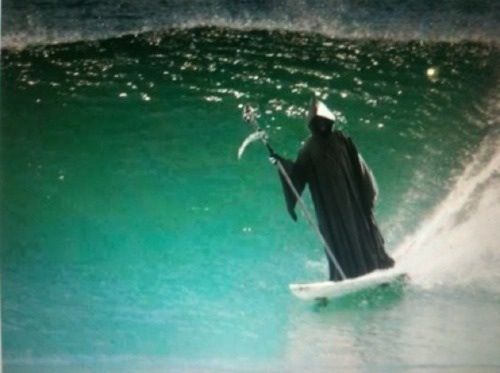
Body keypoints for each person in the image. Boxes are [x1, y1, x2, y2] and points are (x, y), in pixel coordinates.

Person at [271, 99, 394, 280]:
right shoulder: (308, 149)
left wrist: (367, 193)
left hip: (353, 199)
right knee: (338, 237)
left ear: (329, 121)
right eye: (317, 123)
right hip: (330, 208)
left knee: (362, 230)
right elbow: (297, 175)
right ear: (312, 125)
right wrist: (280, 162)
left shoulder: (342, 140)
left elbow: (359, 166)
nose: (321, 126)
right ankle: (344, 275)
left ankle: (377, 266)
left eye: (323, 121)